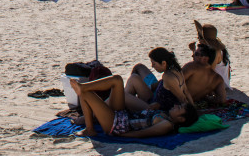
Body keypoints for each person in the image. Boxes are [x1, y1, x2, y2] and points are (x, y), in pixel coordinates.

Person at [67, 75, 198, 138]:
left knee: (86, 93)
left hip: (117, 125)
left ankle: (90, 129)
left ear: (181, 119)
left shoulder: (167, 124)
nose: (175, 106)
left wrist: (121, 136)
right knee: (117, 80)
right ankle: (83, 87)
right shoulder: (165, 115)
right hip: (122, 114)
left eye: (179, 108)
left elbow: (142, 133)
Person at [124, 47, 192, 112]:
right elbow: (186, 91)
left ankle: (124, 109)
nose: (152, 66)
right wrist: (194, 107)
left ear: (163, 63)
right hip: (156, 97)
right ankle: (131, 100)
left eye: (154, 64)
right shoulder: (177, 70)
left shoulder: (167, 77)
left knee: (124, 93)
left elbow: (182, 99)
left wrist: (193, 113)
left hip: (155, 107)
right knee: (138, 68)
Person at [189, 21, 230, 89]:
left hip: (219, 84)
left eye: (199, 36)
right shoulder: (212, 47)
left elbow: (210, 72)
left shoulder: (216, 52)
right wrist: (194, 51)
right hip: (221, 80)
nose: (198, 38)